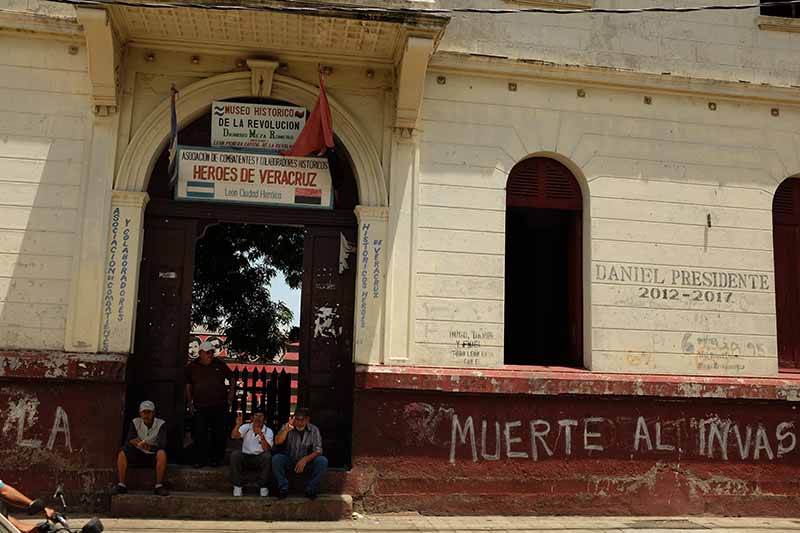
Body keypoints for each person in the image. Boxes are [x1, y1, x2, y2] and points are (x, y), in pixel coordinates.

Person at [185, 340, 234, 467]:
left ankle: (216, 459)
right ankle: (200, 460)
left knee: (218, 433)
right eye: (207, 352)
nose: (210, 355)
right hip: (200, 406)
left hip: (219, 405)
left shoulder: (220, 364)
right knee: (199, 433)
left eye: (212, 352)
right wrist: (190, 403)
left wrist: (230, 396)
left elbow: (232, 378)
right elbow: (188, 385)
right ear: (200, 353)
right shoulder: (192, 366)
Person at [111, 400, 169, 496]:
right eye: (144, 412)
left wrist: (146, 446)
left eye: (149, 412)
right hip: (137, 454)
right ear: (140, 413)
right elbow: (130, 440)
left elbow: (161, 445)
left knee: (162, 454)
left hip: (152, 456)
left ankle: (159, 485)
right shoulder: (135, 422)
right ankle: (121, 485)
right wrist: (140, 444)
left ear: (153, 413)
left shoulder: (161, 424)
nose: (146, 415)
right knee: (122, 452)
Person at [272, 407, 328, 499]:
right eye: (297, 419)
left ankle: (311, 489)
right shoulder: (287, 426)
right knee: (276, 459)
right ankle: (283, 489)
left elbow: (318, 450)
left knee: (322, 461)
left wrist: (305, 459)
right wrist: (286, 430)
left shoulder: (314, 430)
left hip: (307, 463)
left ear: (307, 419)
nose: (300, 422)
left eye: (302, 419)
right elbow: (277, 441)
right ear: (294, 418)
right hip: (290, 460)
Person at [229, 408, 273, 497]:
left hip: (259, 458)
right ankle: (238, 486)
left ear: (265, 419)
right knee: (235, 455)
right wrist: (238, 425)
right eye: (256, 416)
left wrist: (261, 435)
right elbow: (234, 436)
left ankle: (263, 486)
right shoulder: (247, 427)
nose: (258, 418)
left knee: (267, 456)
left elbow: (267, 449)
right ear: (252, 418)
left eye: (261, 416)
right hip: (246, 457)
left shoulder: (268, 431)